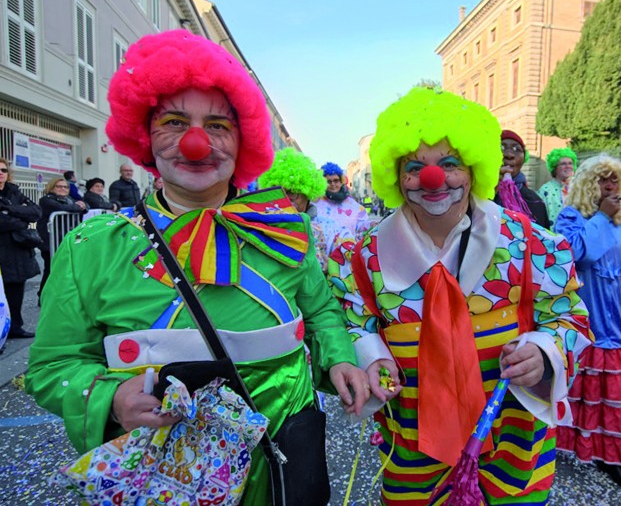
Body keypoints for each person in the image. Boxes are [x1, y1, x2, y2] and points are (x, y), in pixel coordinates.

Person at [25, 29, 368, 505]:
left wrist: (341, 357)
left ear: (242, 141)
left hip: (281, 457)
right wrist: (109, 398)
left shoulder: (285, 229)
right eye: (173, 121)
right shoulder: (90, 246)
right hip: (163, 473)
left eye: (218, 126)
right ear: (144, 135)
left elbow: (323, 311)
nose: (195, 143)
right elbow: (53, 366)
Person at [328, 87, 592, 505]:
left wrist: (545, 352)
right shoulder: (358, 259)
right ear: (396, 177)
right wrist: (368, 353)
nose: (434, 179)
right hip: (413, 452)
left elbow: (571, 319)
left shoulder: (533, 246)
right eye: (415, 167)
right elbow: (349, 325)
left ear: (472, 169)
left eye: (450, 164)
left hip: (514, 447)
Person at [554, 155, 621, 493]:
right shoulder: (571, 218)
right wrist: (602, 217)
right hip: (585, 323)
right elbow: (575, 255)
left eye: (615, 179)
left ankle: (613, 457)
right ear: (587, 184)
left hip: (617, 324)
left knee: (614, 395)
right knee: (580, 389)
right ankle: (569, 444)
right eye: (602, 179)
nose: (610, 186)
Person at [257, 147, 329, 271]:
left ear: (308, 194)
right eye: (279, 192)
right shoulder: (261, 226)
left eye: (292, 192)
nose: (285, 199)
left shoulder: (320, 230)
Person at [0, 158, 41, 339]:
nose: (0, 173)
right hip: (2, 248)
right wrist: (20, 217)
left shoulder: (14, 192)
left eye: (3, 170)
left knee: (16, 291)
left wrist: (10, 210)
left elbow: (36, 212)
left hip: (18, 250)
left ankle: (15, 326)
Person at [36, 177, 87, 301]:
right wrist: (79, 207)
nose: (63, 189)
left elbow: (85, 205)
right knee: (50, 269)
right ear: (52, 187)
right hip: (49, 241)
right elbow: (65, 208)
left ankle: (59, 296)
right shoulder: (46, 200)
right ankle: (43, 296)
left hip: (63, 240)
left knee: (65, 268)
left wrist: (82, 206)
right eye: (59, 186)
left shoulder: (69, 199)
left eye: (65, 187)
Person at [494, 129, 550, 229]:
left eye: (517, 149)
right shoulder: (474, 195)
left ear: (524, 158)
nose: (509, 155)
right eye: (501, 148)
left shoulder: (535, 201)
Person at [315, 161, 370, 254]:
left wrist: (371, 225)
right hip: (323, 254)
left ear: (341, 182)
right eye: (328, 181)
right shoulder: (316, 202)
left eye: (336, 180)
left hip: (346, 254)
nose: (333, 184)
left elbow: (361, 225)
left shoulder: (353, 205)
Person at [538, 147, 577, 223]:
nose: (568, 166)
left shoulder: (579, 187)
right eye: (563, 164)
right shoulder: (545, 190)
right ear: (555, 168)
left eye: (570, 163)